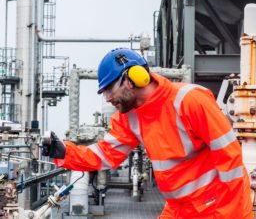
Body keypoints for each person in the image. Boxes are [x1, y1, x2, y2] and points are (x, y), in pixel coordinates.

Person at [42, 48, 253, 218]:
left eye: (108, 89)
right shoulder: (129, 117)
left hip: (218, 208)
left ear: (132, 78)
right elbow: (106, 154)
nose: (107, 99)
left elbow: (231, 163)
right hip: (180, 208)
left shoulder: (190, 101)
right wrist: (64, 152)